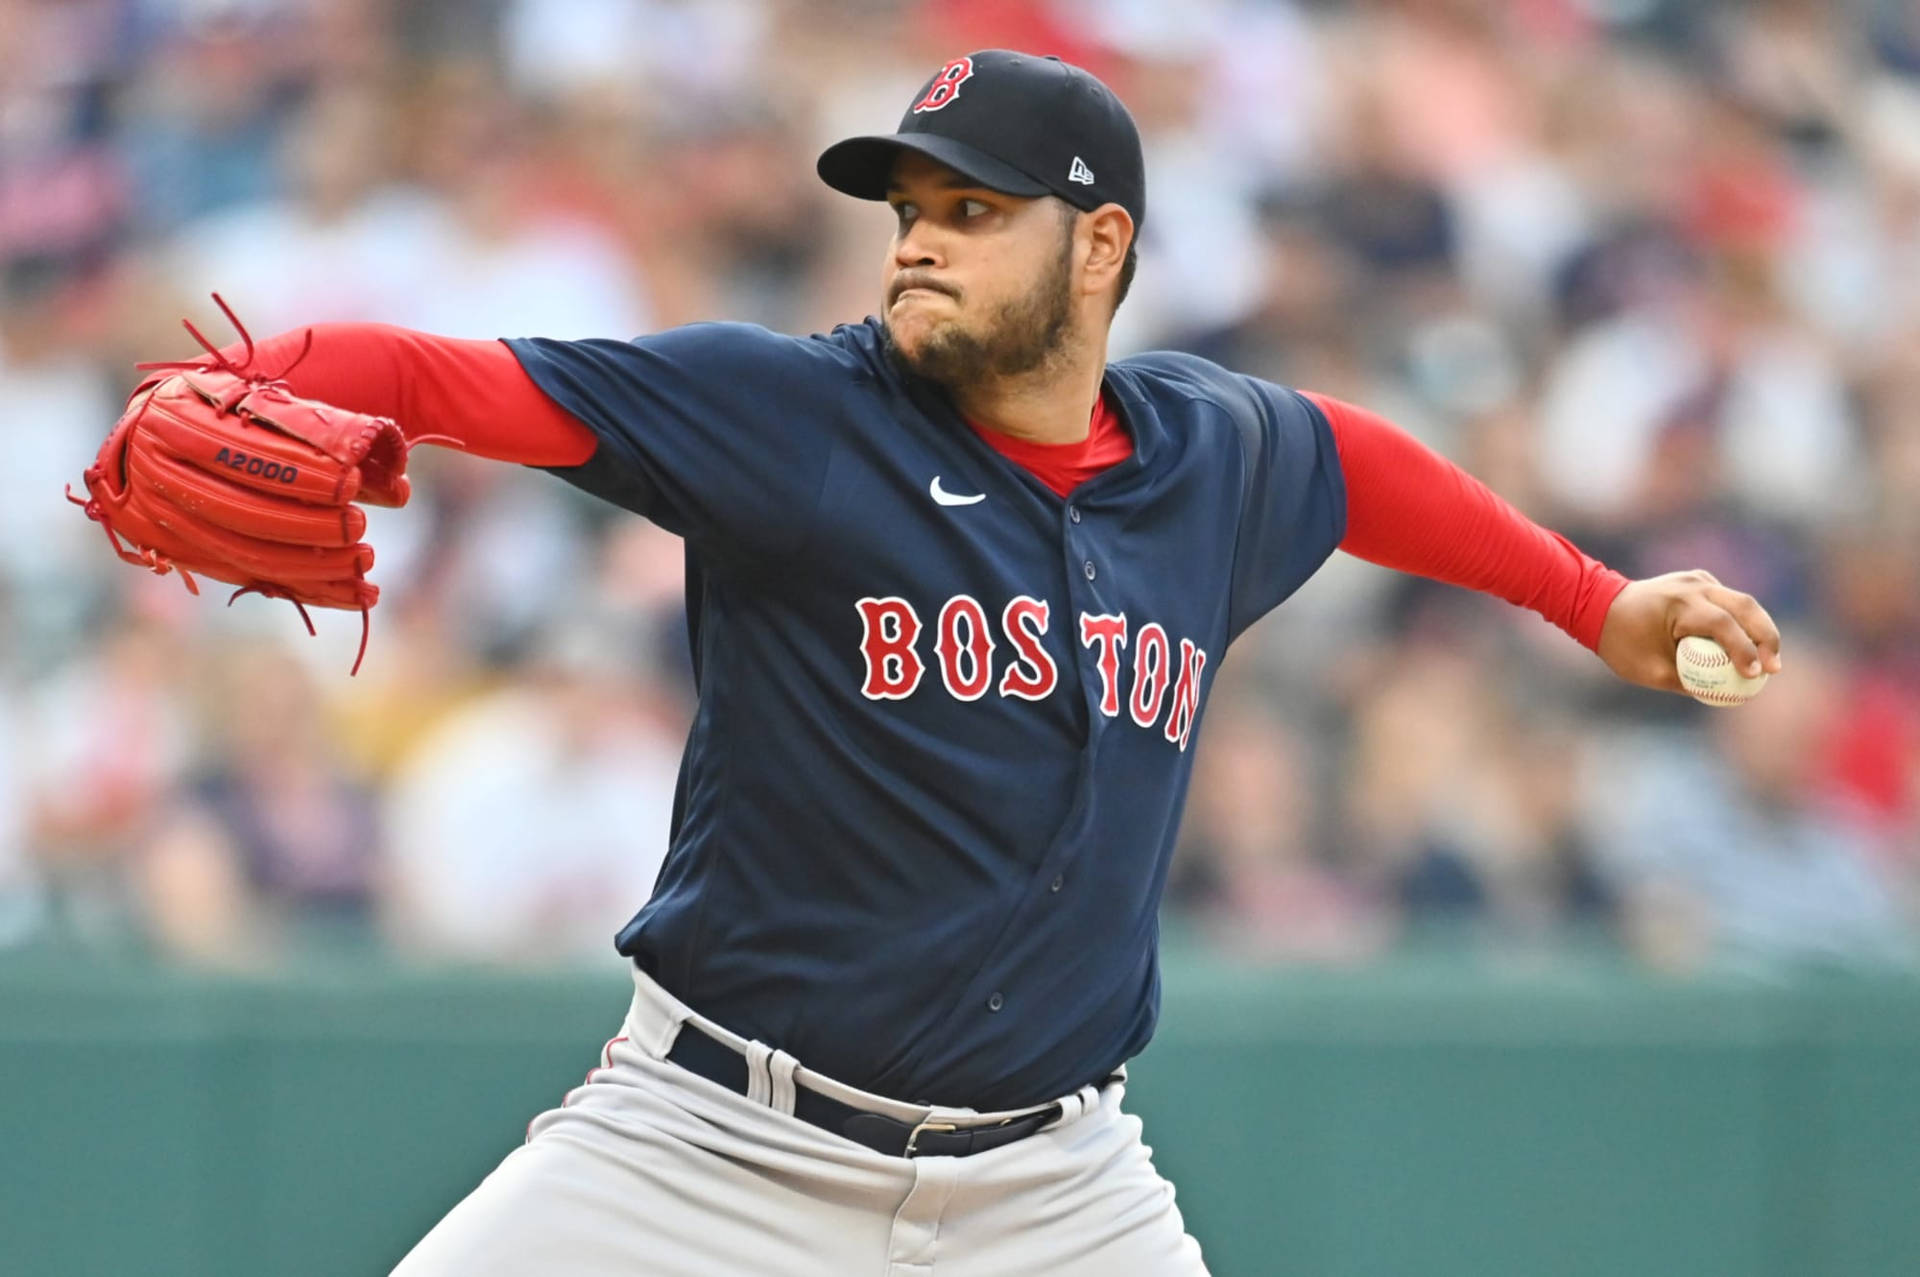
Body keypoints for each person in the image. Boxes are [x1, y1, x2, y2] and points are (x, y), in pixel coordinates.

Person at [138, 50, 1782, 1277]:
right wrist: (247, 374)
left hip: (1053, 1195)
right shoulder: (794, 417)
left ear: (1100, 246)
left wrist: (1597, 601)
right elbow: (447, 373)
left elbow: (1360, 467)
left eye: (973, 213)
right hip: (708, 1149)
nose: (917, 245)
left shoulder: (1215, 457)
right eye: (909, 212)